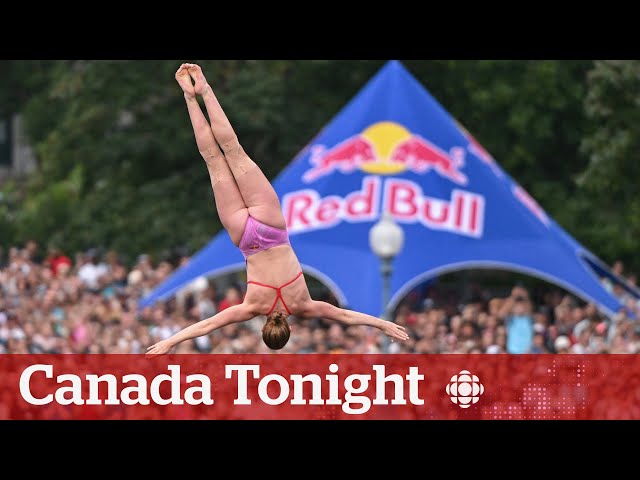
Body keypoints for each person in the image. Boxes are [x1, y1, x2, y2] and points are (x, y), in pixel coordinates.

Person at [146, 64, 409, 356]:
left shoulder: (303, 306)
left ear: (289, 328)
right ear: (264, 328)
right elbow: (207, 325)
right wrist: (171, 342)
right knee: (213, 159)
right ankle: (190, 96)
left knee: (233, 150)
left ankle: (205, 89)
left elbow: (346, 316)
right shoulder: (252, 307)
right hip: (244, 235)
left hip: (270, 227)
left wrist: (383, 324)